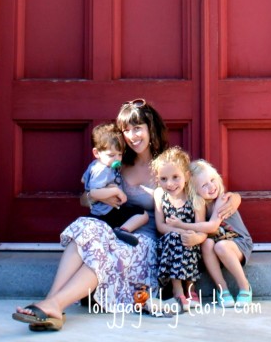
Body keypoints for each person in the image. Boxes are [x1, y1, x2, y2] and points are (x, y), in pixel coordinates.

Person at [13, 99, 187, 331]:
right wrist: (96, 195)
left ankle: (52, 305)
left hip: (144, 241)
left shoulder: (167, 164)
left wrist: (230, 202)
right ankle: (52, 303)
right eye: (126, 130)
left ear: (150, 128)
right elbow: (85, 200)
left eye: (138, 128)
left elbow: (204, 189)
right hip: (113, 230)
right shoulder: (115, 161)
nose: (132, 136)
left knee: (107, 252)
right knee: (85, 227)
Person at [182, 158, 253, 308]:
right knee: (207, 243)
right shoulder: (200, 204)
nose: (211, 186)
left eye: (212, 180)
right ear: (195, 191)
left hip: (238, 243)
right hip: (217, 244)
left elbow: (213, 226)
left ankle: (244, 286)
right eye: (204, 185)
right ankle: (223, 289)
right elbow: (200, 227)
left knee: (220, 246)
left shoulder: (223, 198)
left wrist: (180, 224)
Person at [152, 146, 204, 312]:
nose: (170, 183)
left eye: (175, 177)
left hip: (192, 245)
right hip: (168, 246)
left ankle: (190, 287)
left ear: (186, 176)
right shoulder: (160, 195)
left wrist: (196, 237)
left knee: (187, 240)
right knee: (176, 238)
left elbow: (201, 229)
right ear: (158, 179)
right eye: (164, 178)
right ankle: (178, 289)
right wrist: (181, 232)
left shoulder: (195, 198)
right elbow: (161, 226)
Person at [81, 122, 148, 245]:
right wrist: (116, 191)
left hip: (103, 211)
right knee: (142, 214)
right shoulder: (103, 169)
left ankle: (119, 231)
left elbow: (84, 179)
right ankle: (122, 230)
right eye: (111, 155)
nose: (117, 159)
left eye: (120, 154)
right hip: (107, 212)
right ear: (96, 153)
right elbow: (94, 192)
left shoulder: (95, 165)